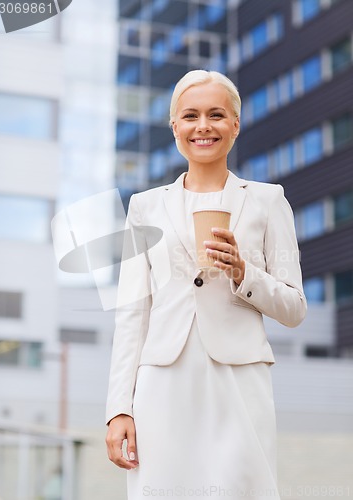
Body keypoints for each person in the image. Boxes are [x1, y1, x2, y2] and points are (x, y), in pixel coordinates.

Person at [105, 70, 307, 499]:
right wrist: (119, 408)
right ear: (175, 126)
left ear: (235, 123)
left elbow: (294, 308)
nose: (203, 126)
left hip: (238, 380)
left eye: (216, 115)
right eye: (190, 115)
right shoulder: (144, 207)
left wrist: (243, 272)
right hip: (163, 384)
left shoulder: (268, 200)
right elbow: (131, 314)